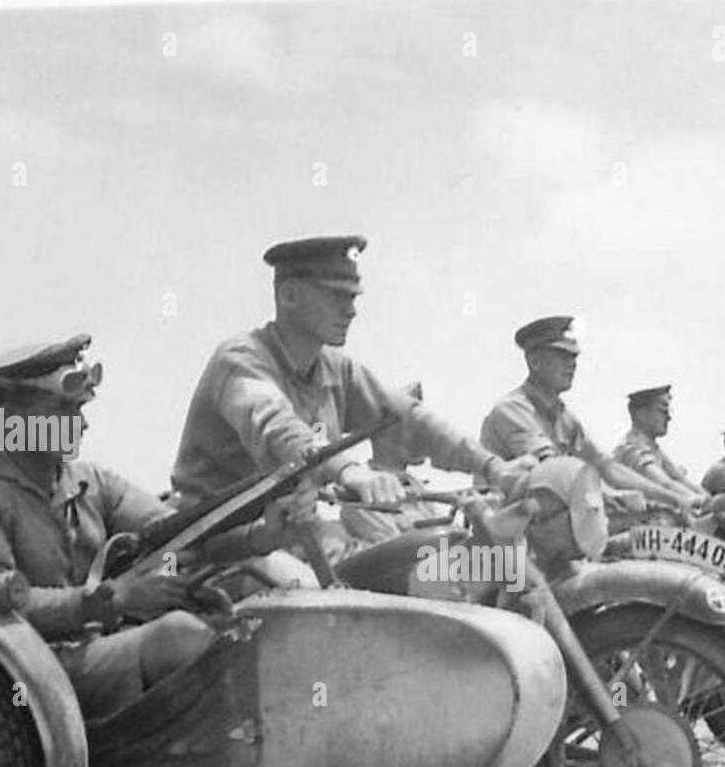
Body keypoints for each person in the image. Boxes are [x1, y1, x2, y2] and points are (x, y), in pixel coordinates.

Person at [0, 335, 298, 719]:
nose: (82, 424)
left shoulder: (91, 483)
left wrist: (259, 536)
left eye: (80, 409)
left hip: (95, 651)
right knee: (177, 638)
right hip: (25, 674)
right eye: (64, 409)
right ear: (11, 416)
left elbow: (180, 535)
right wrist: (115, 599)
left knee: (246, 632)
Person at [171, 236, 522, 577]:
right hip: (215, 550)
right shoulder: (240, 360)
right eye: (336, 296)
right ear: (289, 295)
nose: (351, 310)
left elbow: (408, 418)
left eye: (353, 297)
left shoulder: (336, 369)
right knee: (337, 598)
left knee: (426, 568)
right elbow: (278, 428)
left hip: (291, 534)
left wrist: (493, 468)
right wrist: (350, 471)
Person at [479, 317, 703, 517]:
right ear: (534, 362)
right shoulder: (513, 410)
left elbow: (607, 467)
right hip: (503, 537)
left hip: (547, 526)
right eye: (562, 356)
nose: (572, 364)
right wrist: (612, 496)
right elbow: (555, 471)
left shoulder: (565, 418)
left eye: (573, 357)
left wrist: (675, 499)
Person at [612, 385, 707, 498]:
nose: (668, 418)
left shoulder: (651, 447)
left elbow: (680, 479)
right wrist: (697, 499)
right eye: (662, 411)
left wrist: (709, 499)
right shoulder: (632, 449)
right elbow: (665, 485)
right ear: (641, 414)